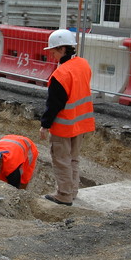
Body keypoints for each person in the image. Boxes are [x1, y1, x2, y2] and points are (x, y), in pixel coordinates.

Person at [39, 29, 95, 206]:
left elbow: (54, 105)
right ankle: (73, 191)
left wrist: (45, 125)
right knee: (73, 159)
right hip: (81, 123)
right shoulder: (83, 64)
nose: (52, 54)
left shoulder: (60, 75)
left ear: (63, 49)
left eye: (54, 51)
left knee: (62, 160)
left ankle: (64, 194)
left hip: (64, 126)